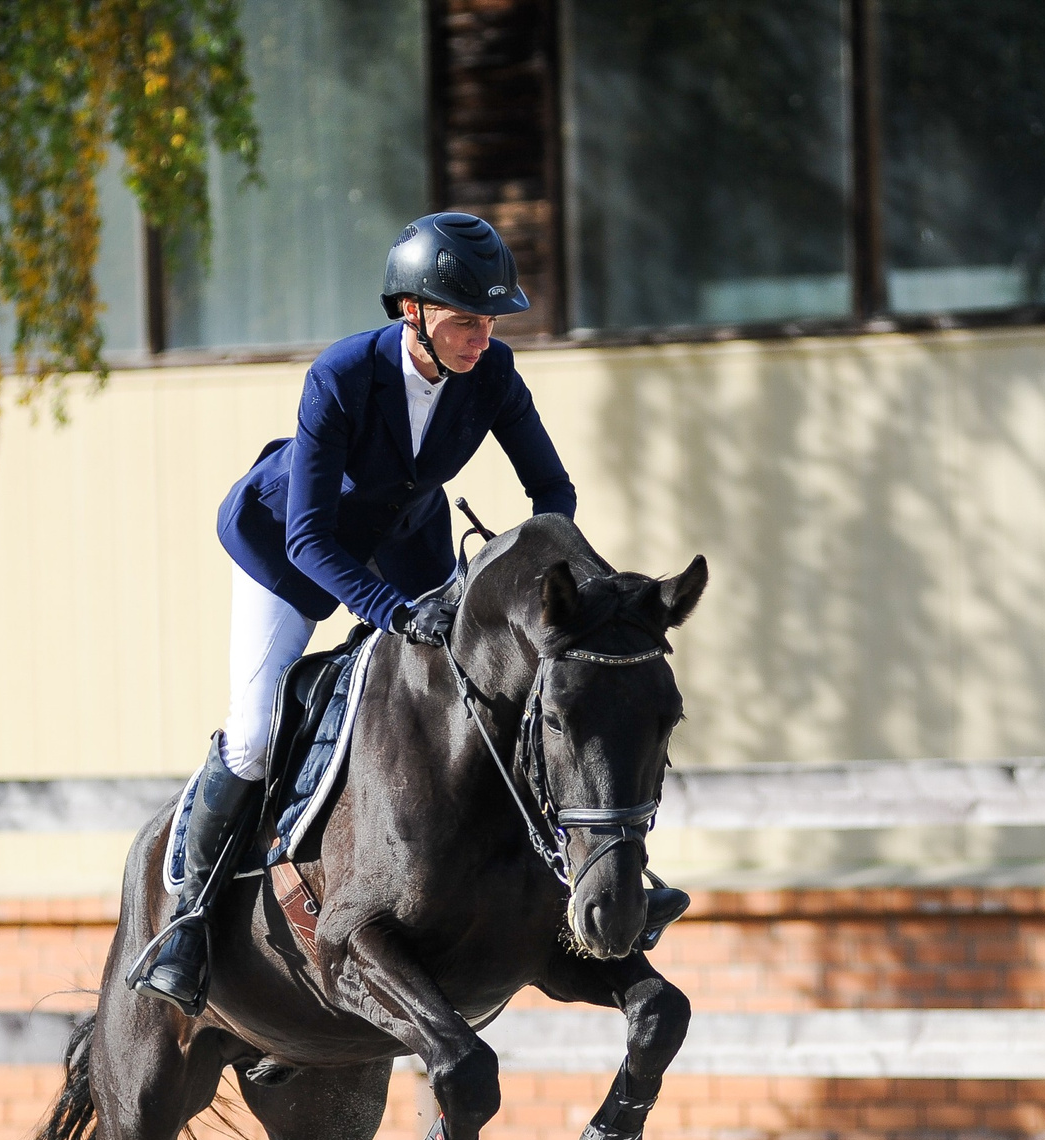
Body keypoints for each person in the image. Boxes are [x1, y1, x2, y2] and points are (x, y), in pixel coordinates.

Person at [131, 212, 684, 1015]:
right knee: (253, 732)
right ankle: (184, 921)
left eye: (491, 321)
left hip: (407, 539)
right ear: (411, 313)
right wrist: (392, 612)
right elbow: (311, 535)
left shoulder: (491, 373)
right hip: (287, 549)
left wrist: (555, 587)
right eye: (465, 321)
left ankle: (586, 866)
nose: (481, 337)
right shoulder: (341, 377)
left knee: (490, 692)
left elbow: (551, 496)